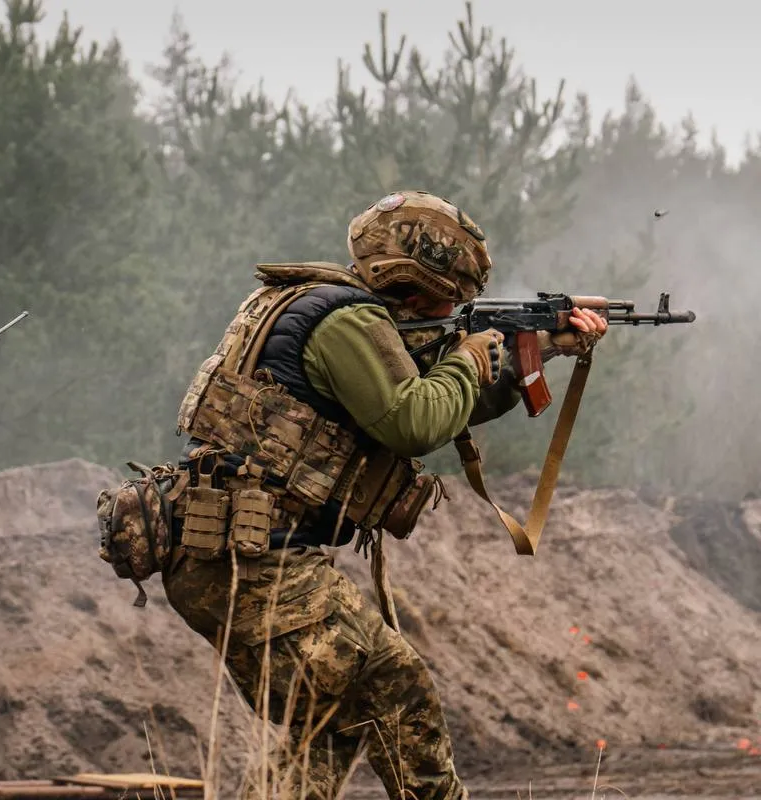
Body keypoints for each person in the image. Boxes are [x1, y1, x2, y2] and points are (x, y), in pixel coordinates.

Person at [162, 190, 606, 799]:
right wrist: (472, 353)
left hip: (233, 551)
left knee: (331, 723)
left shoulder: (315, 305)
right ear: (412, 280)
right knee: (397, 689)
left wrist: (546, 347)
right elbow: (415, 422)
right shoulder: (347, 320)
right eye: (449, 294)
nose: (452, 307)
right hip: (252, 558)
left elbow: (444, 406)